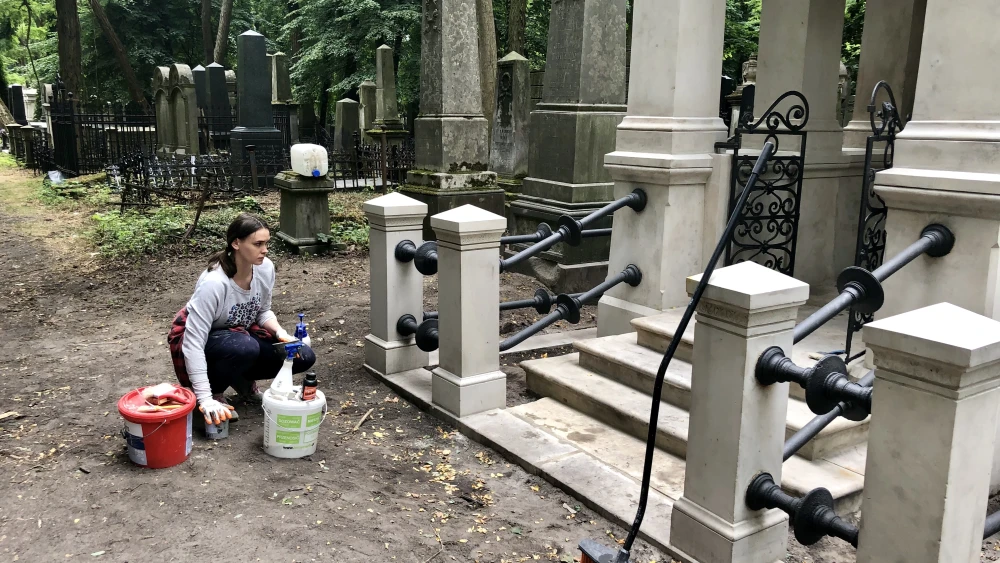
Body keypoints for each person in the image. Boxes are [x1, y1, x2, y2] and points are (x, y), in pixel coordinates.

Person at [167, 213, 316, 425]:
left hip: (240, 338)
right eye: (258, 244)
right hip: (204, 341)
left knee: (303, 355)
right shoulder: (214, 283)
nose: (264, 250)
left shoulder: (265, 268)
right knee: (244, 347)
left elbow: (262, 311)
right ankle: (214, 393)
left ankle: (241, 379)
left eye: (266, 243)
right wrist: (205, 399)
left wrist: (281, 333)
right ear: (236, 243)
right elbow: (193, 344)